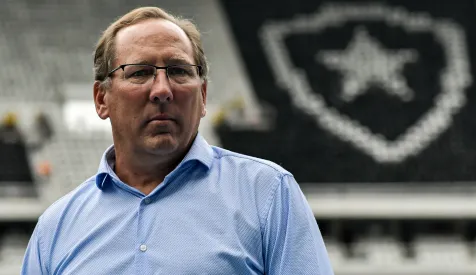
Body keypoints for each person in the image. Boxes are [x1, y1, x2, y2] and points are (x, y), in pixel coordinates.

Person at [21, 6, 334, 275]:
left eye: (179, 71)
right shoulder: (56, 229)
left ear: (203, 95)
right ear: (101, 99)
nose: (162, 89)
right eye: (140, 72)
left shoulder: (267, 195)